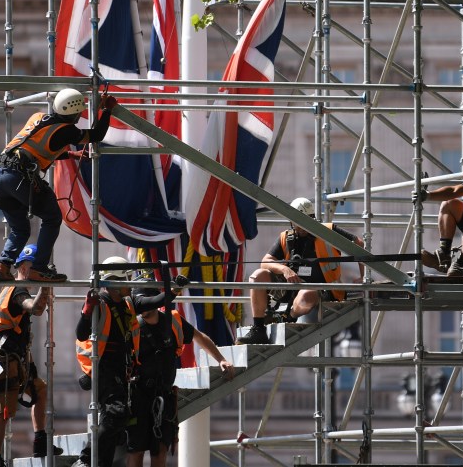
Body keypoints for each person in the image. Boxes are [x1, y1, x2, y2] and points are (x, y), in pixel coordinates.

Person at [0, 88, 117, 282]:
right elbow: (96, 134)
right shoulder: (67, 130)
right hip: (19, 176)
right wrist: (107, 110)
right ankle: (38, 268)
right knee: (52, 217)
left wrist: (70, 154)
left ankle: (3, 263)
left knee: (20, 228)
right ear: (73, 114)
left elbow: (41, 147)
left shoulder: (37, 117)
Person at [71, 258, 177, 467]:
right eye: (127, 280)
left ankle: (101, 462)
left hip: (121, 369)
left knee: (119, 418)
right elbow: (81, 333)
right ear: (115, 282)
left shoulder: (128, 303)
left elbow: (154, 302)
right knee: (115, 412)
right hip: (103, 369)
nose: (131, 285)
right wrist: (86, 311)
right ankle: (86, 460)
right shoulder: (100, 304)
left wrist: (174, 290)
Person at [126, 279, 235, 467]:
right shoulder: (132, 327)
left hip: (165, 396)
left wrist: (221, 359)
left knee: (160, 451)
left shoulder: (173, 320)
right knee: (136, 451)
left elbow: (199, 337)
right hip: (138, 397)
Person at [236, 197, 365, 345]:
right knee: (257, 276)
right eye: (297, 222)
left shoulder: (328, 232)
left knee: (306, 294)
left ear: (312, 218)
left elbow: (359, 244)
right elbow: (265, 261)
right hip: (291, 287)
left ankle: (287, 316)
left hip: (323, 290)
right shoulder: (286, 237)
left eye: (305, 221)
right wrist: (284, 269)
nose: (301, 227)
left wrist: (363, 276)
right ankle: (258, 329)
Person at [0, 244, 62, 467]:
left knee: (39, 389)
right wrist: (46, 285)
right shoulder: (18, 291)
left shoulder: (13, 289)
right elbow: (35, 308)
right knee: (4, 411)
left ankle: (39, 440)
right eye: (36, 269)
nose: (38, 274)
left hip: (17, 356)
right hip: (5, 359)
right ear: (25, 269)